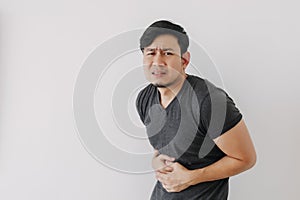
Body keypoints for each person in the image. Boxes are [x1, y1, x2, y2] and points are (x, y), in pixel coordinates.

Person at [135, 20, 256, 200]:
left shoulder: (209, 101)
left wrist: (191, 178)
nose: (157, 61)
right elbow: (163, 147)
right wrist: (156, 160)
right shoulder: (145, 99)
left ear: (184, 60)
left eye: (167, 53)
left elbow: (246, 159)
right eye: (150, 53)